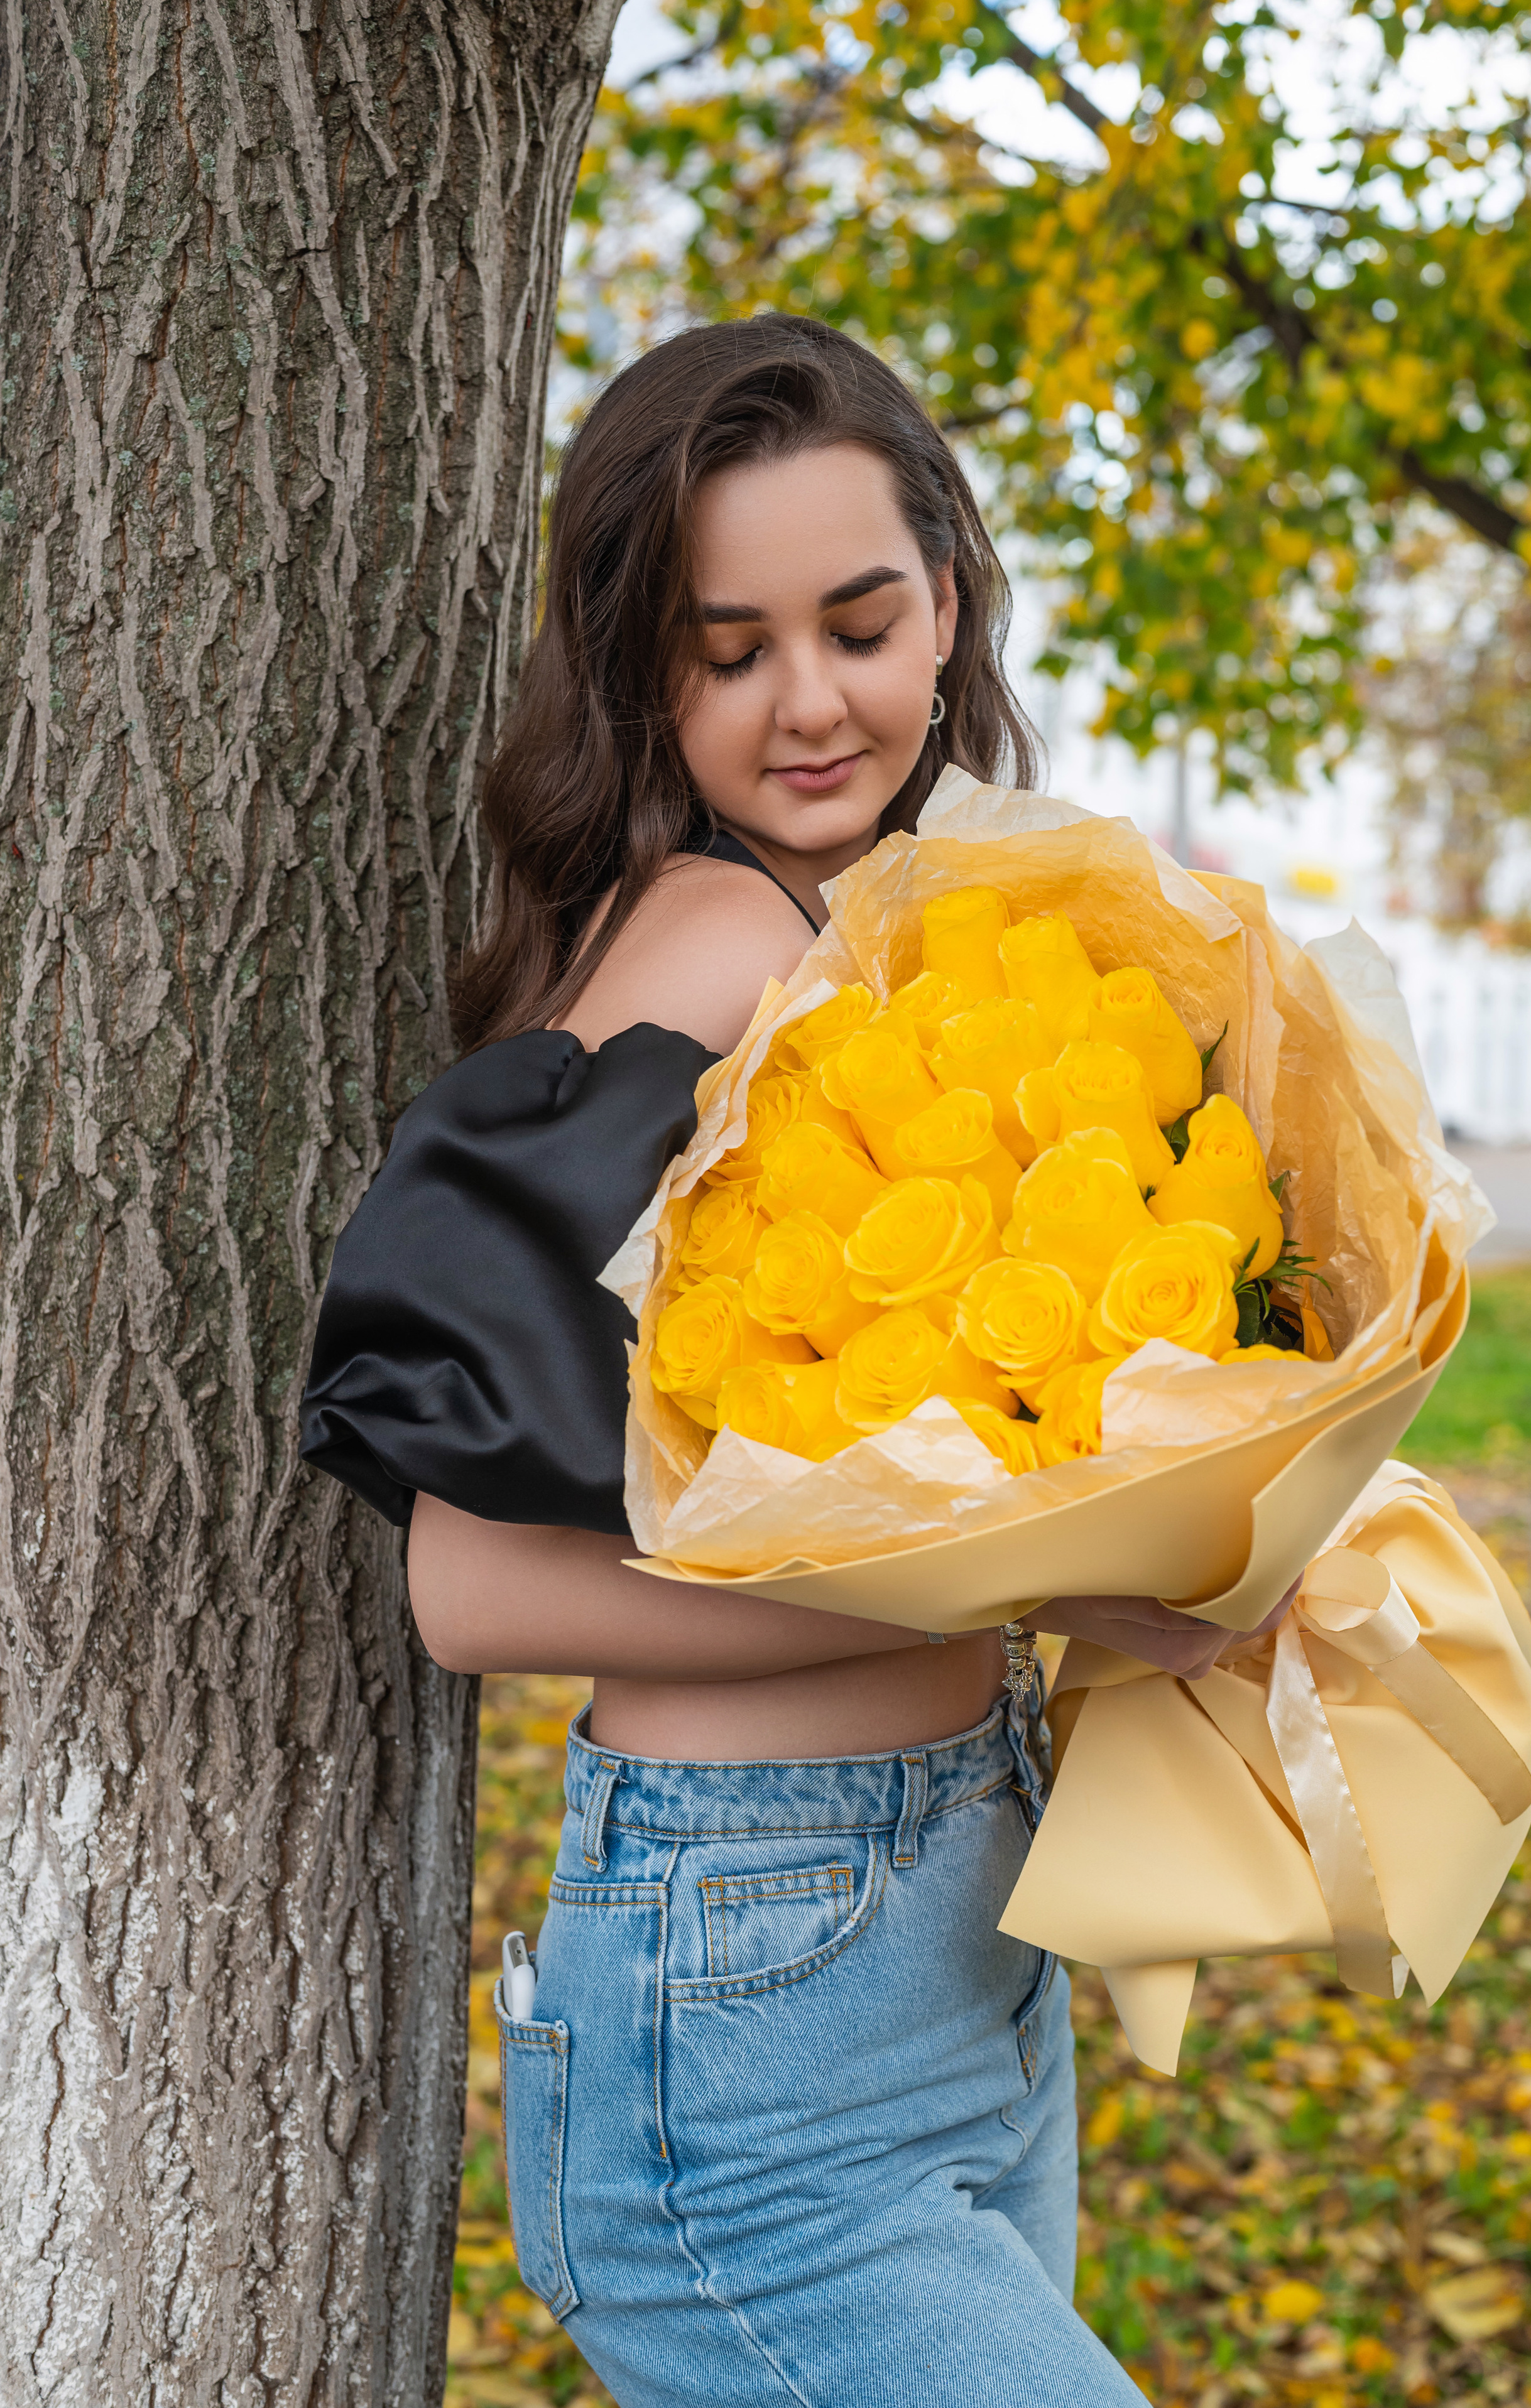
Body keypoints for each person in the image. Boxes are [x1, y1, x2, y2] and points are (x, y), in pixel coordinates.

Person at [301, 316, 1255, 2405]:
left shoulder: (907, 931)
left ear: (951, 606)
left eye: (859, 622)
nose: (808, 700)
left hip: (938, 1937)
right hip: (751, 2011)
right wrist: (1030, 1578)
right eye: (727, 651)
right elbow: (471, 1580)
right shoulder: (715, 956)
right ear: (643, 674)